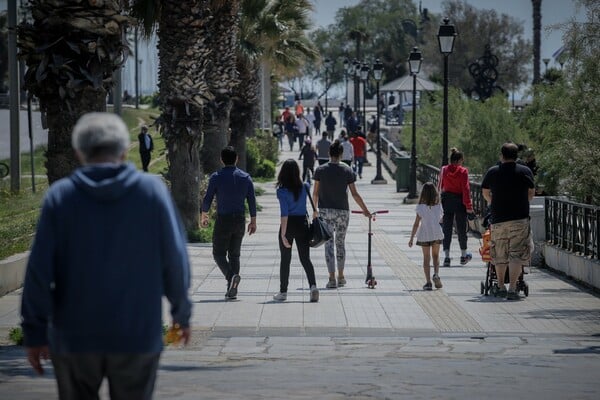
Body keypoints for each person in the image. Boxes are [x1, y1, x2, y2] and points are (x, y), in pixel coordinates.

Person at [21, 112, 192, 399]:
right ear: (125, 151)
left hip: (74, 336)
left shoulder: (61, 197)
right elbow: (175, 259)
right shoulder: (151, 193)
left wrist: (34, 332)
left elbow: (38, 272)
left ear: (79, 152)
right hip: (136, 334)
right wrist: (181, 313)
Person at [313, 140, 371, 288]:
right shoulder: (347, 171)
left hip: (325, 211)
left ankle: (331, 278)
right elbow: (355, 194)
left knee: (329, 244)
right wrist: (365, 210)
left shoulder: (320, 170)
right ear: (341, 154)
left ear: (328, 153)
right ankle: (341, 275)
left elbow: (315, 193)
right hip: (343, 212)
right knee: (340, 243)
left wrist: (314, 210)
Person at [201, 146, 257, 300]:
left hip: (223, 219)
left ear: (221, 159)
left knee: (218, 253)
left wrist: (204, 215)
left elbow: (208, 198)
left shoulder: (216, 177)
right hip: (239, 219)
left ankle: (231, 276)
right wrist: (253, 221)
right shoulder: (245, 177)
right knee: (235, 255)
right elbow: (252, 201)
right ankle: (232, 288)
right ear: (237, 159)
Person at [481, 142, 535, 300]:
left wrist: (492, 202)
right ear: (516, 156)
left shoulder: (493, 171)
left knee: (499, 253)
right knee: (516, 254)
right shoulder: (525, 171)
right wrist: (523, 201)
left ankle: (500, 286)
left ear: (501, 155)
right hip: (520, 218)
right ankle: (512, 289)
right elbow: (531, 192)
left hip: (498, 219)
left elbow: (484, 191)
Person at [273, 160, 319, 302]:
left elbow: (284, 213)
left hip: (289, 225)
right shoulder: (304, 187)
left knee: (285, 260)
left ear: (283, 173)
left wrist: (283, 234)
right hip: (302, 224)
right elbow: (309, 185)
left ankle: (283, 292)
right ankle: (313, 287)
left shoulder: (281, 191)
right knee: (305, 258)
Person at [439, 148, 474, 267]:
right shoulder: (463, 171)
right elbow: (466, 189)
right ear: (459, 160)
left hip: (447, 201)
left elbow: (440, 186)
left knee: (446, 229)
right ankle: (463, 256)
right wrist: (469, 206)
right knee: (461, 229)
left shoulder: (444, 170)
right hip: (459, 202)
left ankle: (447, 257)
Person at [408, 182, 445, 290]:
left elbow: (416, 224)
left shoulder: (420, 207)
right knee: (436, 256)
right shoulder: (438, 205)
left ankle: (428, 282)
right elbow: (441, 219)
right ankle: (436, 274)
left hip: (424, 233)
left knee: (426, 258)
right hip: (436, 233)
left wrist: (411, 238)